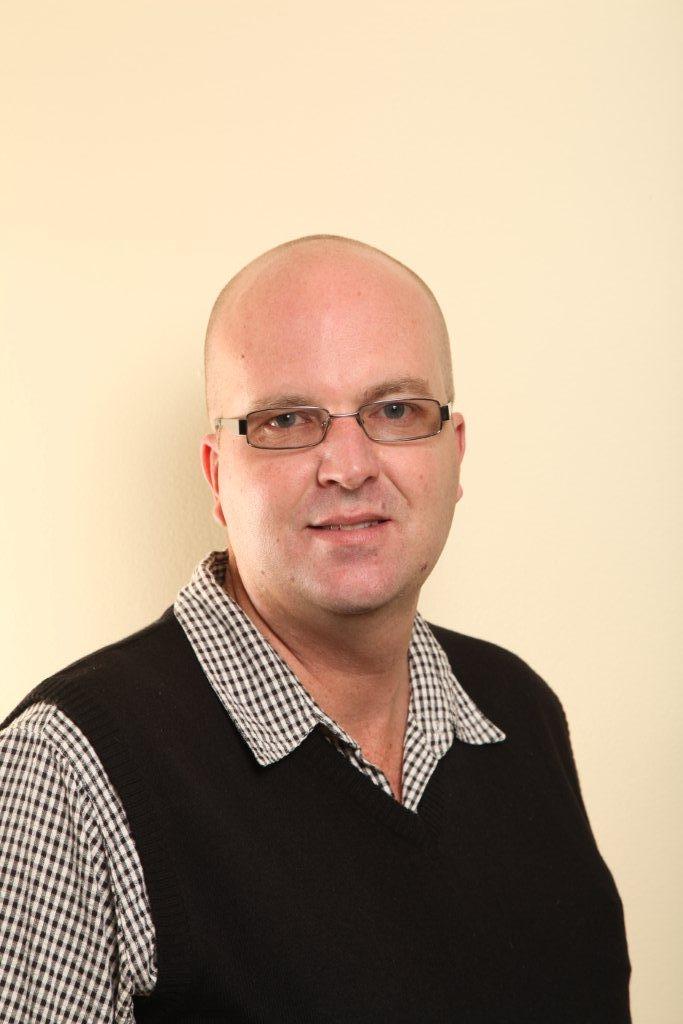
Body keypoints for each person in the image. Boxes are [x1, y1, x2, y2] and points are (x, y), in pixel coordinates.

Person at [0, 234, 631, 1022]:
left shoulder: (517, 711)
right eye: (287, 420)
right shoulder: (67, 771)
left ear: (454, 453)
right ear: (217, 476)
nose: (348, 466)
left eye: (395, 410)